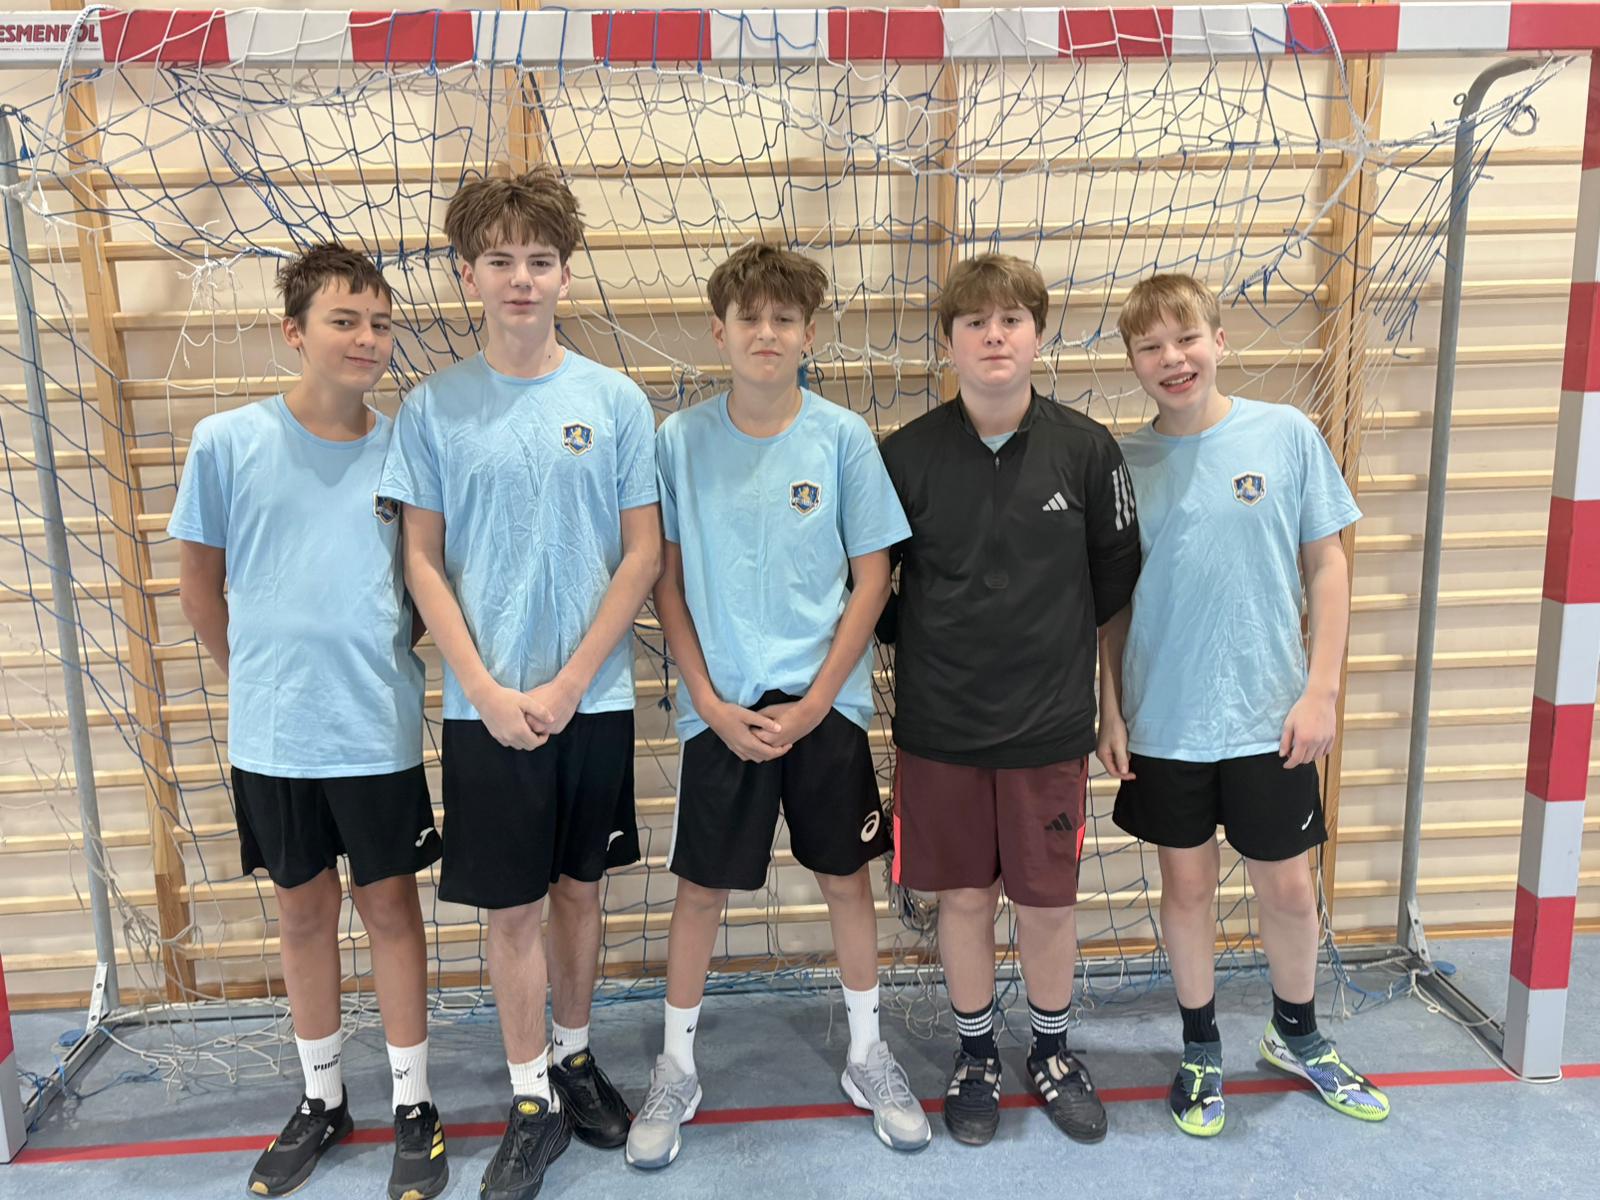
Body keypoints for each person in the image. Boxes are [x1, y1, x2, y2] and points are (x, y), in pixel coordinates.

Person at [378, 167, 662, 1199]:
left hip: (594, 701)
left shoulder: (615, 401)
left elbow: (641, 553)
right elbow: (420, 560)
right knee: (511, 910)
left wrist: (574, 679)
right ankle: (531, 1094)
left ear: (565, 273)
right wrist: (490, 692)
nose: (520, 278)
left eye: (539, 260)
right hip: (483, 710)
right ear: (468, 275)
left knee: (581, 891)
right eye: (498, 260)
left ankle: (576, 1056)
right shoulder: (432, 409)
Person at [626, 243, 929, 1169]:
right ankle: (677, 1068)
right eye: (749, 318)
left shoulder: (841, 438)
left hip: (823, 709)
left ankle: (867, 1052)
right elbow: (667, 585)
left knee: (846, 879)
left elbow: (873, 578)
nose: (767, 333)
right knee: (700, 891)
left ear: (809, 333)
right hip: (721, 709)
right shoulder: (678, 442)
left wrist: (818, 701)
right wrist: (709, 703)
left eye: (784, 319)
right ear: (719, 332)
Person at [171, 244, 447, 1199]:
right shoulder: (227, 442)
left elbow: (421, 589)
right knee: (301, 911)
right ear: (294, 331)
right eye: (344, 320)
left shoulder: (406, 450)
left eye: (380, 323)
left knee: (390, 908)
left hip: (373, 728)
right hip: (274, 736)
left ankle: (413, 1102)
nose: (367, 338)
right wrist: (263, 681)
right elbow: (200, 588)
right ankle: (323, 1097)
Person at [1098, 272, 1390, 1137]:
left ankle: (1295, 1032)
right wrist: (1111, 710)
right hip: (1166, 719)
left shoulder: (1286, 434)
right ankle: (1199, 1046)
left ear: (1219, 341)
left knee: (1289, 889)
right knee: (1185, 888)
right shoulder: (1123, 464)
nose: (1172, 358)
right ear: (1133, 363)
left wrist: (1321, 689)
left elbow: (1327, 564)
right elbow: (1110, 607)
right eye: (1150, 346)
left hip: (1270, 714)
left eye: (1186, 337)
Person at [879, 253, 1141, 1147]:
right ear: (948, 341)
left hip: (1048, 728)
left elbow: (1112, 594)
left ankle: (1054, 1052)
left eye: (1012, 320)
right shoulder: (904, 456)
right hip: (941, 728)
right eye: (975, 323)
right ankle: (976, 1054)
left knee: (1047, 904)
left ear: (1038, 334)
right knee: (962, 900)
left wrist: (1111, 710)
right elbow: (876, 596)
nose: (994, 336)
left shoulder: (1087, 450)